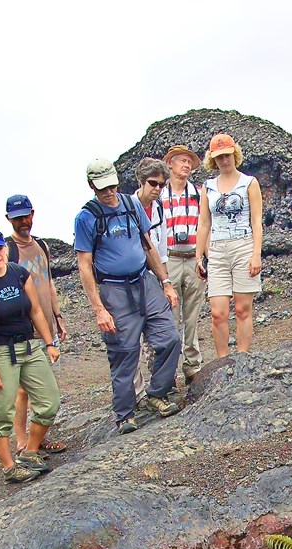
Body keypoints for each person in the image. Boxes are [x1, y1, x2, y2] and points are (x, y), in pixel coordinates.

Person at [74, 158, 182, 435]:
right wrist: (99, 309)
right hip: (114, 290)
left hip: (144, 283)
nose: (108, 192)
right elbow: (84, 265)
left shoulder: (131, 206)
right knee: (124, 353)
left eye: (111, 186)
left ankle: (157, 394)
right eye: (102, 189)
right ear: (91, 187)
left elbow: (148, 247)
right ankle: (125, 414)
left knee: (169, 338)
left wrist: (166, 283)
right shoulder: (87, 217)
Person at [0, 227, 61, 482]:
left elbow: (36, 311)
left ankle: (29, 451)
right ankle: (9, 468)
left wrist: (49, 342)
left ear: (5, 248)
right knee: (1, 411)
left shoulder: (19, 274)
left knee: (49, 401)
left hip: (29, 346)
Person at [4, 193, 68, 456]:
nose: (23, 222)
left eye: (26, 216)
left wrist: (58, 316)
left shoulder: (42, 245)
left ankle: (39, 437)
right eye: (18, 218)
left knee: (43, 385)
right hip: (23, 330)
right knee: (22, 389)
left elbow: (49, 283)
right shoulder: (8, 249)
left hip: (46, 326)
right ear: (9, 219)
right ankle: (22, 441)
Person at [195, 134, 262, 357]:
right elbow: (204, 223)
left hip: (243, 245)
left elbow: (256, 221)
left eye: (227, 155)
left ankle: (242, 356)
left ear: (235, 154)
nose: (224, 160)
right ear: (213, 160)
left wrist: (256, 254)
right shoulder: (208, 187)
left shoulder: (249, 183)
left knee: (243, 309)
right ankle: (222, 360)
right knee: (218, 312)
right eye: (219, 157)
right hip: (217, 249)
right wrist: (199, 256)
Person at [160, 145, 205, 382]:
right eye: (182, 161)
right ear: (170, 164)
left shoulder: (199, 194)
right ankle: (168, 370)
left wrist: (203, 257)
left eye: (189, 162)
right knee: (169, 317)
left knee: (192, 315)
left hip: (193, 258)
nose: (186, 165)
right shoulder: (159, 196)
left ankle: (192, 365)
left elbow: (205, 225)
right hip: (170, 259)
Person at [132, 158, 170, 399]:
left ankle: (160, 387)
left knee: (159, 334)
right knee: (131, 338)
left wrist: (166, 281)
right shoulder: (128, 206)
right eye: (152, 183)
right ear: (141, 182)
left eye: (161, 185)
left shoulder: (159, 208)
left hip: (155, 276)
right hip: (132, 276)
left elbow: (161, 247)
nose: (157, 189)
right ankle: (136, 393)